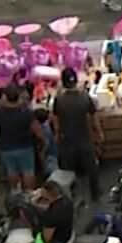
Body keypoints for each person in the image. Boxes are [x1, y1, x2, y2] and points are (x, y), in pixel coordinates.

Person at [50, 69, 101, 201]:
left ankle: (72, 196)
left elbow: (55, 117)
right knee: (91, 165)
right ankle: (95, 192)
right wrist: (98, 132)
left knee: (68, 168)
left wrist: (56, 133)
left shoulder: (59, 99)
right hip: (84, 136)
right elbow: (93, 116)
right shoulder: (84, 96)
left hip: (67, 139)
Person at [0, 86, 43, 191]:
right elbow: (37, 130)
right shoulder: (27, 112)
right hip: (25, 146)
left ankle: (15, 191)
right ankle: (29, 193)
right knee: (28, 171)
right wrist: (41, 141)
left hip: (6, 147)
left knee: (11, 171)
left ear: (5, 97)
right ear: (18, 97)